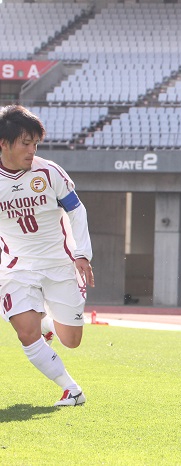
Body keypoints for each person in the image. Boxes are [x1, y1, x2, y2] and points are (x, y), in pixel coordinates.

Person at [0, 105, 95, 406]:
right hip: (17, 267)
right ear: (4, 143)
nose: (32, 150)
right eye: (26, 143)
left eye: (36, 144)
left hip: (59, 264)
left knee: (71, 341)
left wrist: (82, 254)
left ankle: (47, 323)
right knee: (25, 332)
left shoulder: (49, 172)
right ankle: (72, 390)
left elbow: (76, 210)